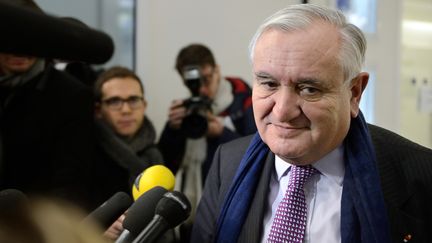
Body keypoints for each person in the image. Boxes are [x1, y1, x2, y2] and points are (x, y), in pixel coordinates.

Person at [191, 4, 432, 243]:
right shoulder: (228, 163)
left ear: (354, 92)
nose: (283, 110)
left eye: (309, 89)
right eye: (269, 84)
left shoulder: (421, 175)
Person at [0, 0, 94, 211]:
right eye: (10, 38)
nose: (20, 49)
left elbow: (70, 183)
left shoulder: (71, 95)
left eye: (30, 39)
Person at [158, 43, 257, 242]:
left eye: (207, 79)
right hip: (191, 211)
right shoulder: (189, 109)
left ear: (217, 69)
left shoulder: (247, 102)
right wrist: (173, 129)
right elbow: (164, 165)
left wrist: (222, 133)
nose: (202, 89)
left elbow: (260, 155)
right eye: (193, 83)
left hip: (232, 208)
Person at [93, 66, 164, 207]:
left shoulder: (153, 155)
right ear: (98, 110)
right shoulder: (86, 155)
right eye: (114, 101)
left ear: (144, 105)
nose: (126, 110)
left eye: (133, 100)